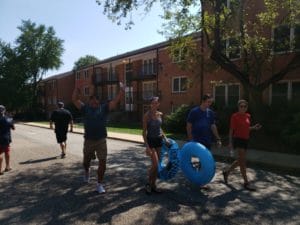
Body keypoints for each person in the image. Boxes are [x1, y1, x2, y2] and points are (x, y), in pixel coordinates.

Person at [72, 82, 125, 194]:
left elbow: (115, 101)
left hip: (101, 140)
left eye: (96, 99)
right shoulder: (85, 108)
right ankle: (87, 171)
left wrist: (122, 91)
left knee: (103, 162)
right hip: (88, 140)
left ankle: (99, 184)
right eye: (92, 99)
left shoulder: (104, 108)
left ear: (99, 101)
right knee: (86, 162)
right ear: (89, 101)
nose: (94, 101)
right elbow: (74, 100)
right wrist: (76, 90)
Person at [222, 99, 262, 191]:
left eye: (245, 106)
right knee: (243, 161)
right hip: (238, 140)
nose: (243, 108)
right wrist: (230, 143)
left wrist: (253, 128)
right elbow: (231, 130)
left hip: (246, 140)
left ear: (247, 107)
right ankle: (246, 182)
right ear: (238, 107)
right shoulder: (234, 116)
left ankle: (227, 172)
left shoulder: (248, 115)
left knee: (240, 160)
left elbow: (246, 127)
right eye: (241, 106)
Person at [186, 94, 222, 189]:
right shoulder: (194, 112)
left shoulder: (210, 113)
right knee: (197, 162)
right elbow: (189, 126)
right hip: (196, 142)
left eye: (211, 102)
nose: (210, 104)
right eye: (208, 102)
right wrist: (190, 140)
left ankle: (201, 180)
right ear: (203, 101)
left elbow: (213, 126)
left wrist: (218, 138)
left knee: (206, 162)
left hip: (207, 141)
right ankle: (198, 180)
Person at [142, 96, 168, 195]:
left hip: (159, 141)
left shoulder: (160, 114)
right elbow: (144, 133)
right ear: (150, 104)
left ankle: (153, 185)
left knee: (157, 165)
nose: (155, 104)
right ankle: (148, 184)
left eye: (156, 103)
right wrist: (147, 147)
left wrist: (165, 138)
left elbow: (160, 129)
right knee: (156, 164)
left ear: (158, 104)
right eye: (153, 103)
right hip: (151, 142)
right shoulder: (146, 116)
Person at [0, 105, 15, 175]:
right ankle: (7, 166)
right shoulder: (8, 118)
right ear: (4, 111)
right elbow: (13, 128)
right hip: (6, 138)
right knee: (7, 152)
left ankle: (0, 169)